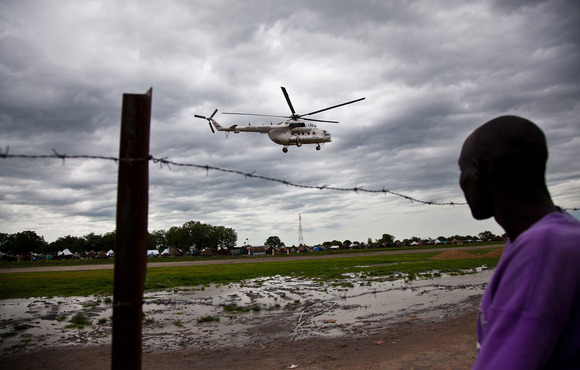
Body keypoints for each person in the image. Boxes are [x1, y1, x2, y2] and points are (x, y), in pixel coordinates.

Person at [458, 115, 580, 369]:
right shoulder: (533, 238)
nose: (461, 182)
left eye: (463, 170)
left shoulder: (544, 248)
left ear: (479, 171)